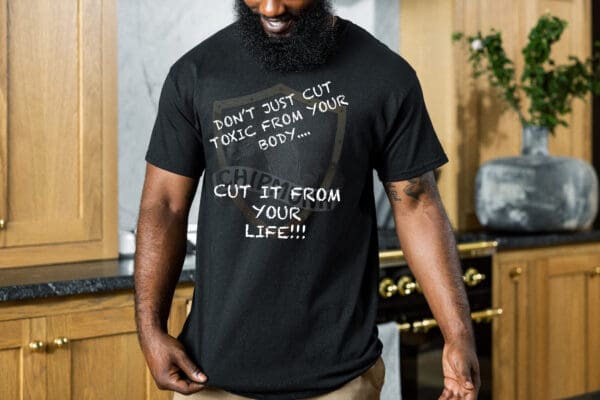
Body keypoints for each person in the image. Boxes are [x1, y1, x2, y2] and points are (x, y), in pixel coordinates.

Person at [134, 0, 481, 399]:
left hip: (340, 380)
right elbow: (164, 205)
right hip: (210, 379)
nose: (269, 7)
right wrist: (150, 329)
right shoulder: (196, 74)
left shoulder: (385, 76)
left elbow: (416, 203)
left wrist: (457, 333)